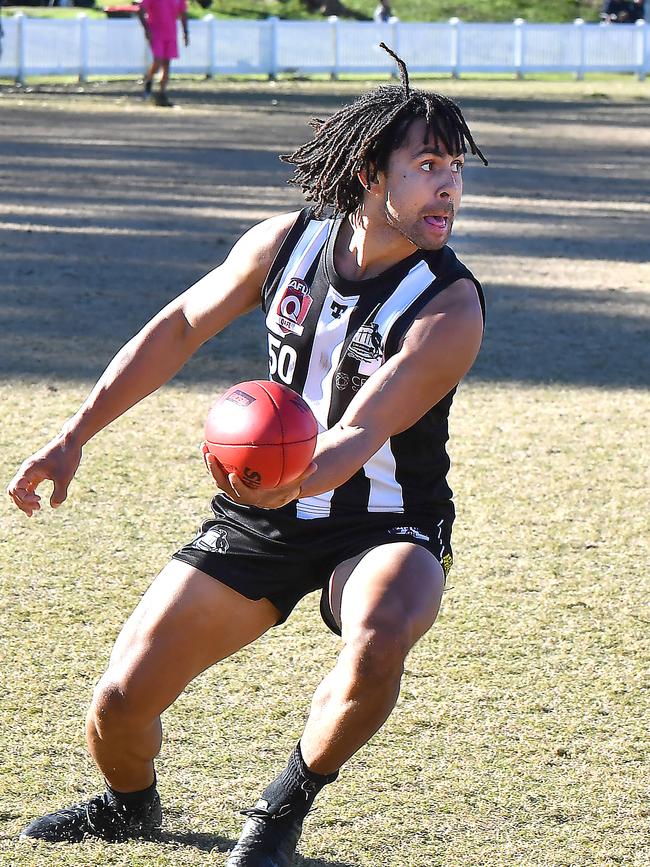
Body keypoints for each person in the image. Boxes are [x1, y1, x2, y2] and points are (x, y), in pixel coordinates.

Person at [8, 44, 488, 866]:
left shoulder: (450, 307)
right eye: (428, 163)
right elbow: (180, 326)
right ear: (373, 173)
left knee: (380, 634)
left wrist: (287, 476)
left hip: (382, 521)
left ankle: (281, 807)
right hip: (261, 514)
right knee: (120, 706)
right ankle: (129, 806)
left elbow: (358, 436)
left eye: (455, 168)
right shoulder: (283, 246)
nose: (449, 185)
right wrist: (75, 434)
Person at [138, 0, 189, 108]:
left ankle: (162, 93)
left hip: (171, 34)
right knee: (158, 60)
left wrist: (186, 32)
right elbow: (141, 10)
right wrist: (146, 29)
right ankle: (149, 79)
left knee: (167, 64)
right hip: (156, 33)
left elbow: (183, 13)